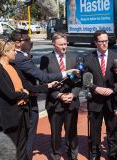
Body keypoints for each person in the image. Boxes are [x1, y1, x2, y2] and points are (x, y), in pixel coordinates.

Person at [11, 29, 75, 160]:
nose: (31, 42)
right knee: (28, 137)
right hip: (31, 102)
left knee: (29, 137)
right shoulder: (21, 58)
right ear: (18, 43)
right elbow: (42, 76)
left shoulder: (24, 55)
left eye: (65, 43)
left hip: (66, 102)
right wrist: (64, 75)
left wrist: (72, 94)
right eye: (27, 40)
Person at [0, 39, 57, 160]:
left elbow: (27, 86)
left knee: (22, 145)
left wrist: (47, 86)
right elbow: (9, 94)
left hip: (23, 111)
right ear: (5, 52)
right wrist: (25, 94)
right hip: (10, 115)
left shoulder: (14, 66)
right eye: (13, 50)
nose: (15, 53)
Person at [40, 32, 81, 160]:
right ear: (54, 44)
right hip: (55, 103)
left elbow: (79, 82)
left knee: (72, 131)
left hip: (71, 102)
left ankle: (72, 155)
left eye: (65, 44)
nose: (64, 47)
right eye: (61, 44)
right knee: (55, 133)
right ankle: (56, 155)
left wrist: (73, 94)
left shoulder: (74, 58)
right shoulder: (46, 59)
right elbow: (43, 82)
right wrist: (58, 95)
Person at [84, 30, 117, 160]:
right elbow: (85, 81)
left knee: (112, 129)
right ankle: (95, 153)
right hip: (95, 101)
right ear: (95, 43)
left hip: (112, 100)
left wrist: (113, 89)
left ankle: (113, 154)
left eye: (106, 41)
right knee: (95, 130)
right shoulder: (88, 59)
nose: (105, 43)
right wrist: (95, 88)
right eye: (101, 41)